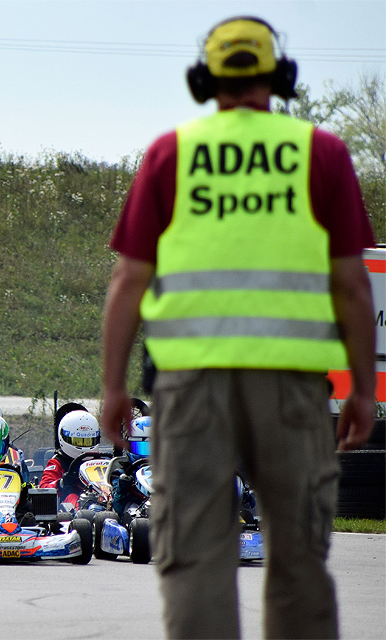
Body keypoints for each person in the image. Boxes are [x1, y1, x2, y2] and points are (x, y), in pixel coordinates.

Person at [100, 16, 376, 639]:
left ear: (207, 79)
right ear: (279, 75)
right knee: (300, 561)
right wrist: (361, 387)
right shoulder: (321, 154)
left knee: (196, 559)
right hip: (292, 391)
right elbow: (353, 285)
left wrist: (114, 386)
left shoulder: (173, 154)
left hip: (189, 389)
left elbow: (127, 282)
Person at [38, 403, 104, 512]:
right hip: (71, 505)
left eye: (88, 441)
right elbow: (44, 487)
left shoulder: (100, 461)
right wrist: (61, 483)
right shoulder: (57, 462)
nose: (83, 446)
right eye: (78, 441)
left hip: (101, 499)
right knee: (73, 498)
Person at [105, 415, 151, 522]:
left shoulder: (166, 472)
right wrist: (123, 487)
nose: (146, 455)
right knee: (131, 509)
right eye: (141, 448)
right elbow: (117, 506)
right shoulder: (120, 472)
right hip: (133, 514)